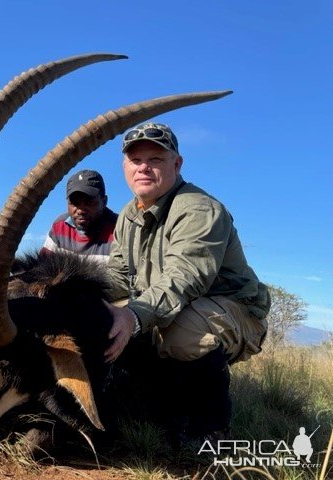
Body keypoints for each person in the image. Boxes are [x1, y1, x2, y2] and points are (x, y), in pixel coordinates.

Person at [102, 122, 270, 443]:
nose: (144, 168)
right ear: (125, 166)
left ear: (177, 164)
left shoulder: (198, 209)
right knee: (109, 320)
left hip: (237, 313)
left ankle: (211, 429)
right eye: (136, 161)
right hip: (181, 305)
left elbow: (184, 280)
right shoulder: (128, 215)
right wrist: (82, 301)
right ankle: (165, 409)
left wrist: (132, 317)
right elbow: (118, 278)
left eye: (156, 159)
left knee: (181, 333)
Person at [41, 169, 118, 264]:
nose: (80, 210)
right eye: (74, 202)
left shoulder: (120, 229)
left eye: (89, 202)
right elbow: (41, 268)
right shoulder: (60, 226)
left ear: (104, 202)